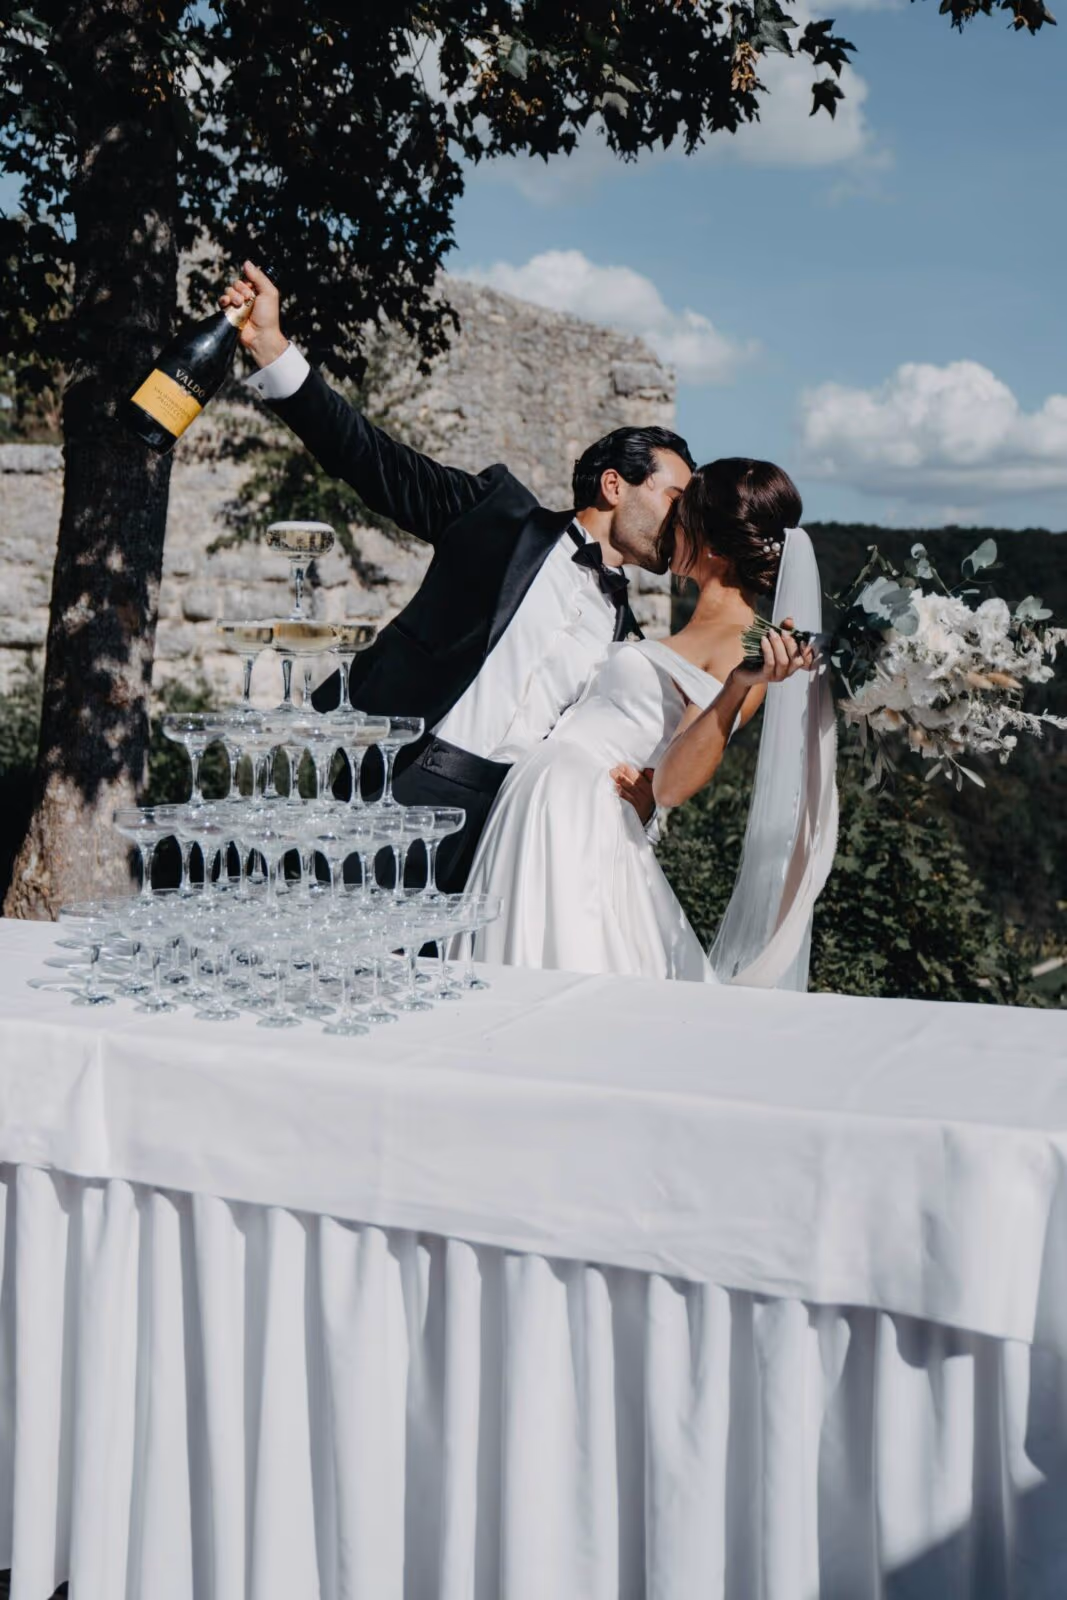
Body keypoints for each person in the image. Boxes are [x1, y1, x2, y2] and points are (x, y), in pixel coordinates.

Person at [219, 264, 694, 889]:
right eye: (674, 499)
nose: (683, 520)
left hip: (510, 832)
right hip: (404, 785)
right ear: (615, 485)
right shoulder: (496, 517)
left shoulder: (625, 636)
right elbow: (371, 459)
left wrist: (645, 799)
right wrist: (272, 348)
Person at [463, 459, 838, 989]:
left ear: (711, 545)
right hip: (545, 800)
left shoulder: (743, 647)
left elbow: (673, 785)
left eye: (682, 513)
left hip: (576, 814)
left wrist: (736, 686)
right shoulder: (693, 629)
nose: (669, 525)